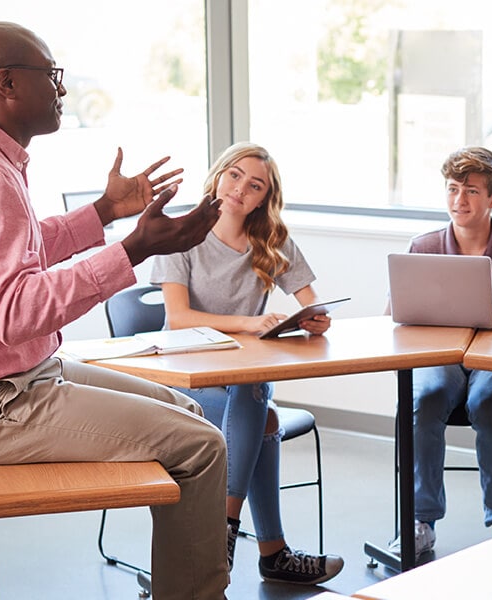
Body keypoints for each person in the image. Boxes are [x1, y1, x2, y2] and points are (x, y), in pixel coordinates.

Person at [0, 22, 229, 598]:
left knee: (190, 412)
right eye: (51, 75)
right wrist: (136, 247)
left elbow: (18, 247)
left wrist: (107, 210)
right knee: (201, 445)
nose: (61, 88)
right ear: (7, 83)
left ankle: (182, 579)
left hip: (15, 382)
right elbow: (14, 312)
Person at [151, 142, 343, 585]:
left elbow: (313, 302)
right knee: (264, 417)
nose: (240, 189)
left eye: (254, 185)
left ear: (263, 198)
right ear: (219, 175)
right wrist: (251, 323)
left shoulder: (271, 238)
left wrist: (315, 320)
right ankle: (268, 550)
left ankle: (227, 531)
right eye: (234, 175)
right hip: (186, 376)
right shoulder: (181, 233)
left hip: (241, 380)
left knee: (254, 395)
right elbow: (178, 319)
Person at [388, 146, 492, 556]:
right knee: (425, 399)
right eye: (453, 189)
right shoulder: (423, 246)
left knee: (484, 401)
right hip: (441, 359)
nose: (460, 201)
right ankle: (419, 521)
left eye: (472, 191)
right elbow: (394, 321)